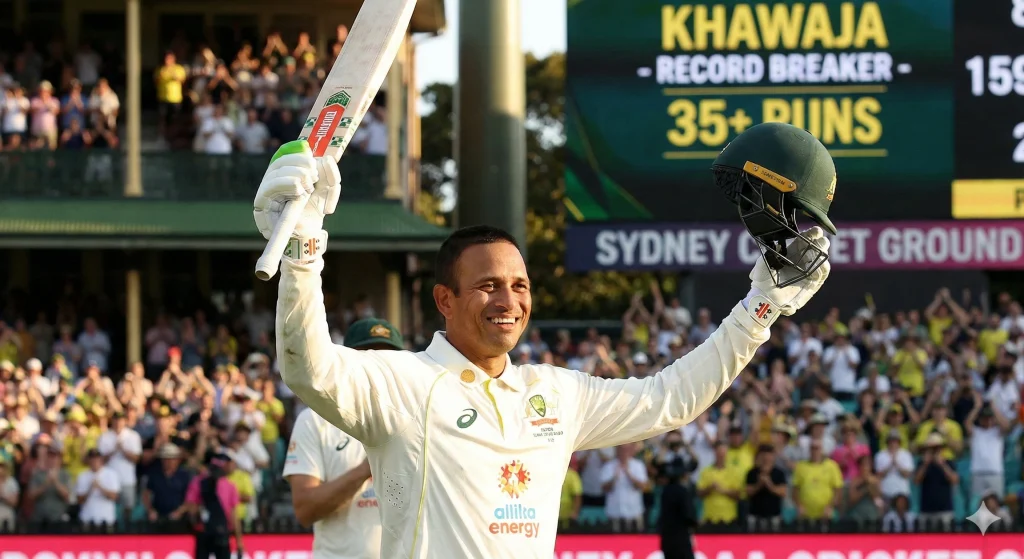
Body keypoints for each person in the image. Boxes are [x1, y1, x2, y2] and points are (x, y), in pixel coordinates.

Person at [251, 130, 833, 558]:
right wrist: (303, 250)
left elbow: (670, 399)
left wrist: (759, 309)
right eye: (488, 286)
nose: (508, 301)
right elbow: (309, 369)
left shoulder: (555, 393)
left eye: (520, 285)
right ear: (445, 300)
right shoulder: (403, 383)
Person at [283, 317, 403, 559]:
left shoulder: (418, 418)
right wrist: (366, 469)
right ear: (346, 361)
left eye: (388, 357)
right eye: (368, 355)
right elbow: (305, 509)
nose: (379, 365)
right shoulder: (314, 420)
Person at [185, 452, 243, 559]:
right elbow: (233, 516)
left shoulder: (199, 482)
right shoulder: (229, 486)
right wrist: (239, 541)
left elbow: (191, 508)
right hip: (218, 530)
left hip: (208, 531)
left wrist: (196, 523)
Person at [658, 456, 697, 559]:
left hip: (667, 540)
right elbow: (689, 515)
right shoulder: (683, 491)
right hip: (681, 539)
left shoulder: (665, 491)